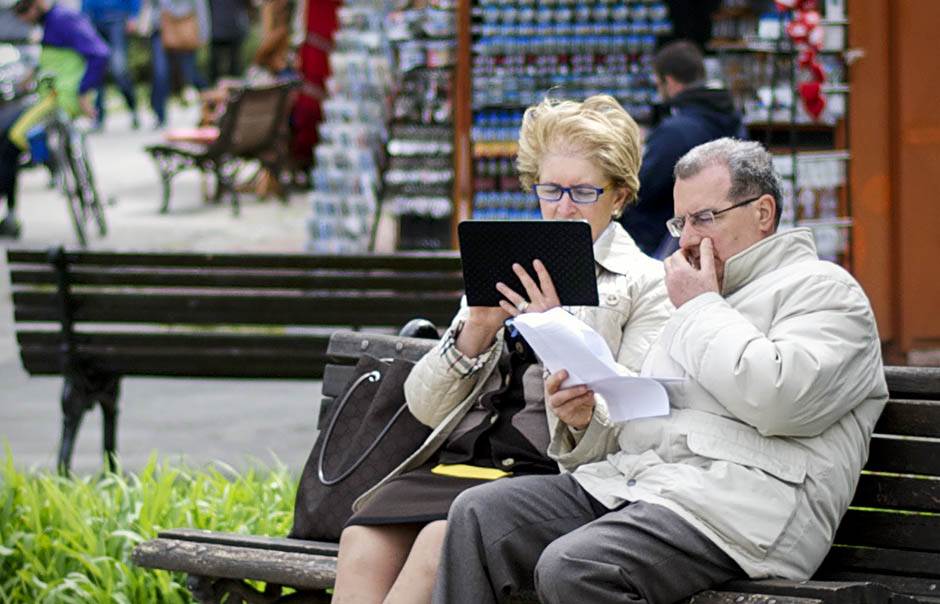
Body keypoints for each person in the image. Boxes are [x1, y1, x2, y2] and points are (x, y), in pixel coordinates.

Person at [436, 137, 888, 604]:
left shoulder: (825, 290)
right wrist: (585, 419)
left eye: (705, 218)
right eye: (681, 221)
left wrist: (700, 307)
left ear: (763, 212)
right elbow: (642, 424)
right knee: (479, 513)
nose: (688, 239)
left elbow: (781, 401)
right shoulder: (700, 295)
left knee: (576, 567)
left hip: (746, 510)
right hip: (650, 485)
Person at [330, 95, 672, 604]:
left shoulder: (645, 283)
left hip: (551, 474)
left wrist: (556, 329)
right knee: (360, 540)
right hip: (465, 462)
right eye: (550, 189)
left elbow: (636, 421)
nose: (562, 206)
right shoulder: (508, 260)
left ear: (619, 196)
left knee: (437, 543)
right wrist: (475, 332)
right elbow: (425, 408)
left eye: (583, 191)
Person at [619, 39, 746, 258]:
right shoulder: (731, 118)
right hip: (719, 237)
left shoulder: (676, 131)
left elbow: (640, 190)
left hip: (665, 243)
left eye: (659, 84)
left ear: (669, 82)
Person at [0, 0, 108, 238]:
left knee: (11, 140)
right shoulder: (50, 22)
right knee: (7, 132)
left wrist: (83, 93)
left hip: (63, 99)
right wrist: (32, 75)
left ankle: (11, 208)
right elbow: (56, 59)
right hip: (50, 95)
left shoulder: (63, 20)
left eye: (23, 11)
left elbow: (99, 53)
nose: (21, 19)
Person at [81, 0, 140, 130]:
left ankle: (133, 107)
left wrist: (134, 16)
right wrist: (84, 17)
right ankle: (98, 117)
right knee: (97, 70)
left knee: (119, 69)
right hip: (96, 22)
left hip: (118, 20)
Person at [206, 0, 249, 85]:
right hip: (230, 26)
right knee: (231, 66)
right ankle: (230, 92)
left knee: (219, 66)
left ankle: (217, 89)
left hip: (219, 26)